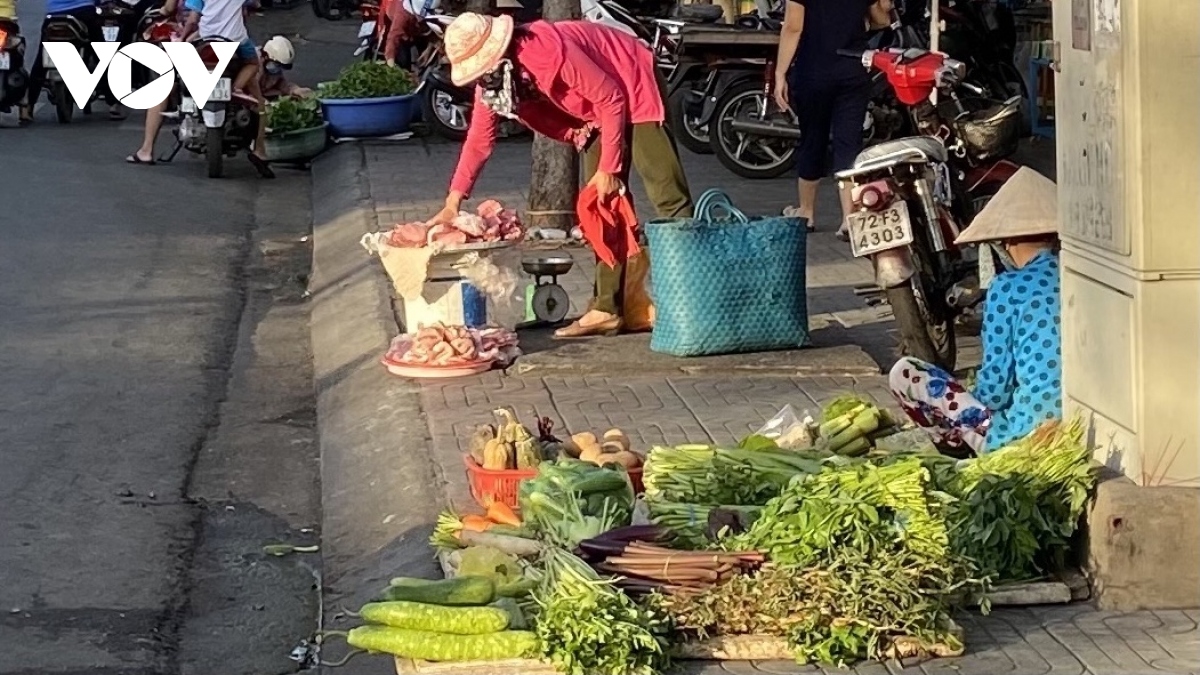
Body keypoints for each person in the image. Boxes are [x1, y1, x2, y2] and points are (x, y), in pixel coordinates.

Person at [435, 12, 693, 338]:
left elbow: (611, 96)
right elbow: (479, 140)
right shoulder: (495, 82)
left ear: (497, 54)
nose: (478, 79)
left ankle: (693, 300)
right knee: (599, 206)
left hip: (630, 77)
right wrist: (452, 201)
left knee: (666, 191)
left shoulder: (545, 53)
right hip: (596, 109)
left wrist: (610, 168)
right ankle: (607, 308)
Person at [889, 168, 1062, 455]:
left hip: (1022, 433)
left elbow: (995, 390)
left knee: (906, 372)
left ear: (1008, 242)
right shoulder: (1078, 276)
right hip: (1080, 420)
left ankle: (957, 447)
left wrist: (968, 399)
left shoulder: (1008, 287)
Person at [774, 0, 894, 235]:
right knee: (848, 142)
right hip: (852, 68)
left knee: (812, 139)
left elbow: (793, 27)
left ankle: (806, 213)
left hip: (814, 70)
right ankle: (849, 217)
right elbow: (882, 20)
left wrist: (780, 73)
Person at [125, 0, 274, 178]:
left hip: (203, 40)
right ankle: (259, 148)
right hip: (236, 43)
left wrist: (182, 38)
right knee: (256, 85)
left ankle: (147, 149)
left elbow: (190, 17)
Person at [20, 0, 127, 124]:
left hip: (54, 13)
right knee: (102, 57)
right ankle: (114, 103)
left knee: (41, 61)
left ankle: (28, 106)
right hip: (83, 12)